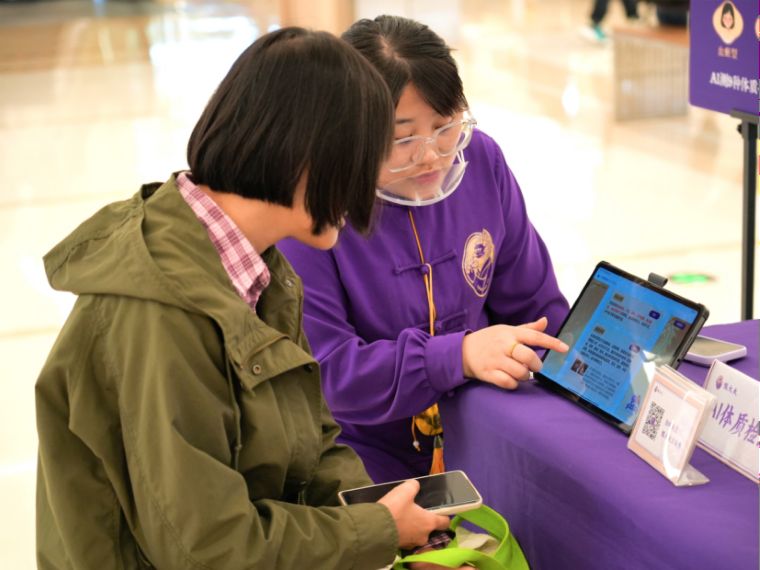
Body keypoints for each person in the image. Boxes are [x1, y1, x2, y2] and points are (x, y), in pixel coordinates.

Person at [35, 27, 452, 569]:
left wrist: (387, 523)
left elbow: (315, 445)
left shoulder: (259, 270)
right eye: (359, 161)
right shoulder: (162, 313)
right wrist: (376, 530)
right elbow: (208, 548)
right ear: (308, 157)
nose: (363, 191)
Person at [280, 15, 570, 484]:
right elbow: (327, 372)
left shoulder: (480, 160)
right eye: (403, 139)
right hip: (355, 447)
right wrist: (457, 356)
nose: (431, 155)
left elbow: (535, 306)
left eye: (444, 125)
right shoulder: (313, 204)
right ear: (349, 131)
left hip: (485, 424)